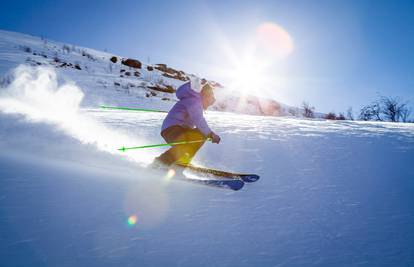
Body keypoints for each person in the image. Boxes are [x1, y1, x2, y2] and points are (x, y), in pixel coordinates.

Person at [152, 77, 221, 168]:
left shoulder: (195, 101)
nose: (208, 105)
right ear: (205, 96)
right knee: (193, 138)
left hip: (177, 128)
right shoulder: (194, 101)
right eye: (209, 102)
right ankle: (162, 162)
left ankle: (181, 161)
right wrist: (211, 134)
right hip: (172, 129)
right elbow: (199, 120)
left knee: (197, 136)